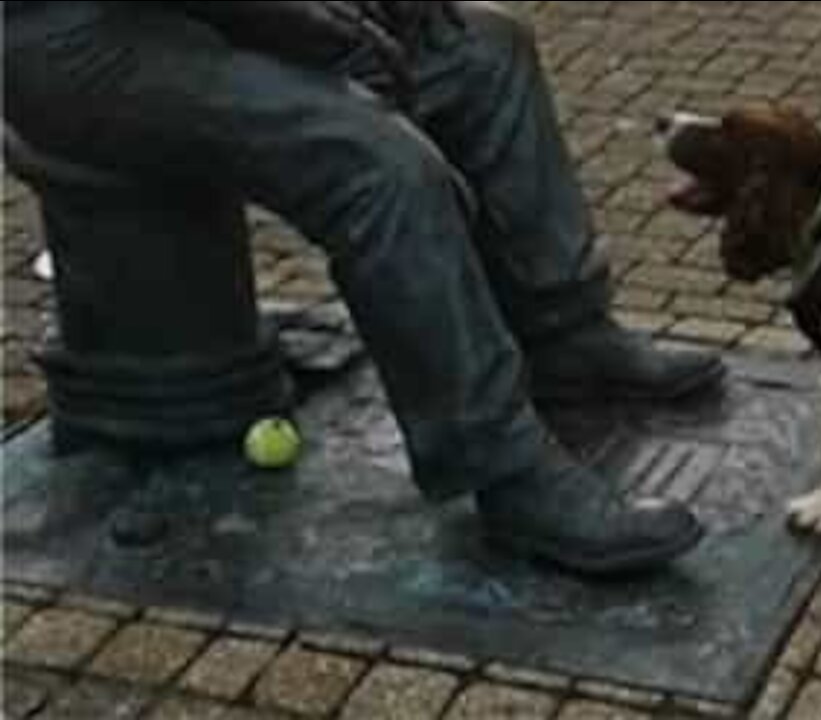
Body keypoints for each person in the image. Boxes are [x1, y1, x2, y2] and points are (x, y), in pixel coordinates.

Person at [3, 1, 726, 575]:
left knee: (486, 52)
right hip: (69, 38)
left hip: (202, 15)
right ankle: (503, 465)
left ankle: (565, 332)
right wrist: (299, 20)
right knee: (377, 165)